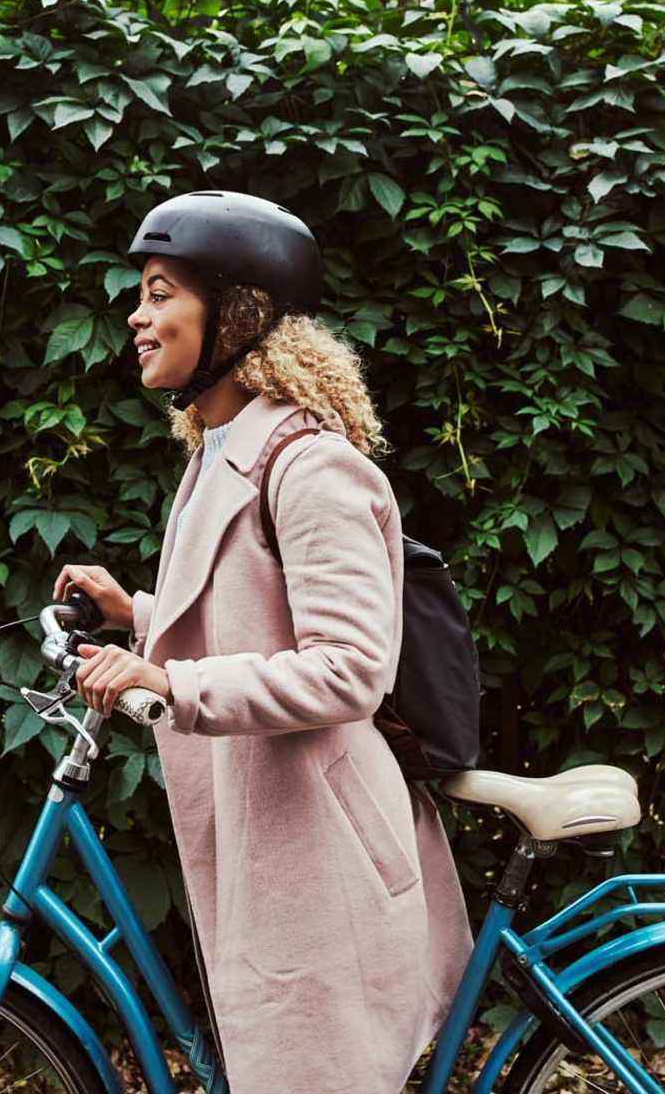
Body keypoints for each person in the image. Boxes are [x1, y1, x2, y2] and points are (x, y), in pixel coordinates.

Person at [53, 190, 473, 1094]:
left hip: (320, 851)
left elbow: (349, 667)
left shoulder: (312, 464)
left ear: (237, 313)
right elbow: (258, 612)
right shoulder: (219, 451)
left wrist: (171, 683)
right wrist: (140, 612)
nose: (137, 314)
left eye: (161, 291)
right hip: (272, 826)